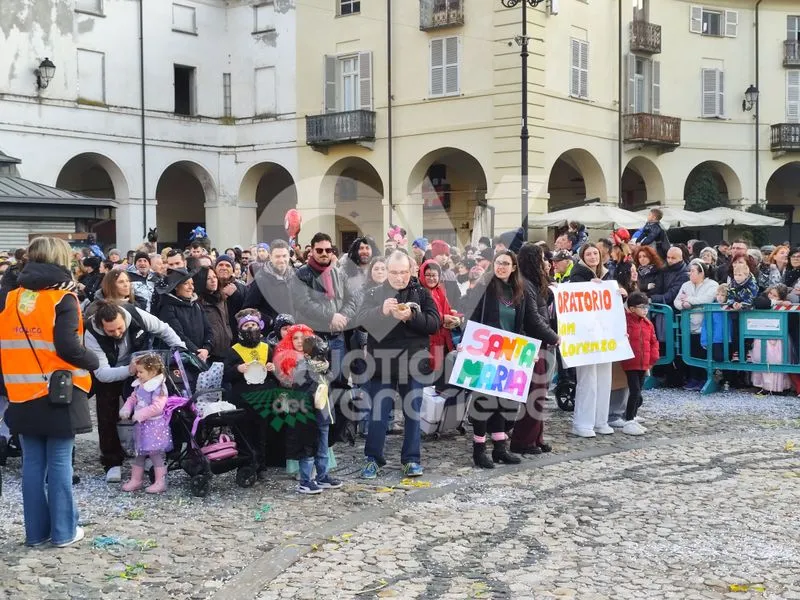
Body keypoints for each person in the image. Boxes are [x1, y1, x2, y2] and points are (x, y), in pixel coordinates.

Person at [0, 236, 99, 547]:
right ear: (61, 261)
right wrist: (93, 359)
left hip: (20, 389)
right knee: (59, 461)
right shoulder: (63, 299)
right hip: (59, 390)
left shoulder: (10, 297)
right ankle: (63, 531)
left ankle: (36, 533)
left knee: (32, 463)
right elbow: (69, 346)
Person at [356, 251, 440, 479]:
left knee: (412, 414)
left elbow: (434, 323)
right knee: (378, 415)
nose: (399, 277)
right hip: (381, 363)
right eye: (394, 272)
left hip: (413, 363)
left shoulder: (422, 294)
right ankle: (373, 458)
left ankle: (411, 459)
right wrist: (381, 311)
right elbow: (361, 322)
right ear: (386, 271)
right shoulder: (374, 293)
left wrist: (411, 317)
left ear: (411, 271)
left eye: (404, 272)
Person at [84, 301, 185, 482]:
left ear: (124, 318)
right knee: (106, 411)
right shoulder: (90, 333)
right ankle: (112, 461)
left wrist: (180, 348)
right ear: (101, 326)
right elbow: (102, 373)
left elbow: (163, 328)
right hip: (112, 370)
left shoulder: (135, 314)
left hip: (141, 366)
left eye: (120, 328)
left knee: (149, 409)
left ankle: (150, 453)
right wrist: (129, 370)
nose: (117, 333)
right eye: (111, 331)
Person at [466, 251, 538, 467]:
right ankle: (479, 450)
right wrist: (467, 342)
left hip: (509, 353)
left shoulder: (519, 291)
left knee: (501, 401)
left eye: (506, 264)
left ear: (514, 267)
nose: (502, 267)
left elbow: (524, 324)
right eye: (498, 263)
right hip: (485, 351)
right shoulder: (484, 287)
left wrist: (529, 351)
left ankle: (499, 448)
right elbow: (471, 315)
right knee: (483, 401)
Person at [509, 243, 561, 456]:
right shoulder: (525, 284)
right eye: (542, 258)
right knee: (534, 395)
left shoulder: (533, 282)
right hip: (531, 344)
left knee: (539, 394)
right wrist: (554, 337)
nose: (546, 262)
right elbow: (533, 319)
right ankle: (523, 440)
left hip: (539, 343)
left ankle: (536, 437)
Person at [291, 233, 357, 381]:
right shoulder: (301, 274)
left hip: (336, 337)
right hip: (312, 339)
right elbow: (303, 304)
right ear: (312, 251)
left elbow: (351, 300)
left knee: (338, 381)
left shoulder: (339, 274)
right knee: (315, 384)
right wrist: (331, 316)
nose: (324, 254)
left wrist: (343, 317)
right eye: (319, 250)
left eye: (328, 250)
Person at [567, 243, 615, 438]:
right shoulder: (577, 275)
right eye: (589, 254)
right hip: (585, 335)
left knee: (604, 377)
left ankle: (600, 420)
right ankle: (582, 422)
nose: (593, 256)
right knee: (588, 379)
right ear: (582, 257)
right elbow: (574, 297)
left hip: (604, 333)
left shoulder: (607, 274)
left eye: (595, 253)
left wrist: (619, 292)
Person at [118, 353, 172, 493]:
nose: (138, 375)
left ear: (153, 372)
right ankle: (136, 480)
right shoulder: (140, 386)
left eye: (141, 372)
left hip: (153, 426)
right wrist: (126, 409)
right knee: (139, 453)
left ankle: (160, 481)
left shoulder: (159, 388)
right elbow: (132, 399)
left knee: (154, 453)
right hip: (141, 425)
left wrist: (140, 414)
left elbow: (157, 407)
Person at [674, 260, 718, 390]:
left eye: (693, 271)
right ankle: (693, 379)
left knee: (702, 352)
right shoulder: (685, 285)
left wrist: (689, 301)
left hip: (704, 325)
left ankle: (704, 379)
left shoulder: (712, 285)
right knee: (690, 352)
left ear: (701, 273)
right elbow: (676, 301)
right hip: (688, 325)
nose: (690, 274)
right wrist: (682, 305)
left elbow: (706, 299)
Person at [621, 292, 659, 436]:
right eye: (642, 307)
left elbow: (653, 342)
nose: (645, 310)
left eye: (647, 307)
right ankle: (629, 419)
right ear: (631, 309)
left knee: (638, 391)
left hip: (644, 363)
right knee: (635, 391)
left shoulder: (647, 323)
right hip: (631, 362)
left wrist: (653, 359)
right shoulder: (626, 321)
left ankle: (633, 417)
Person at [156, 268, 213, 362]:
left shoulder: (196, 305)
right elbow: (178, 335)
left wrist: (206, 348)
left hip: (201, 357)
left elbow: (208, 329)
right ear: (176, 286)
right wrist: (197, 352)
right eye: (186, 283)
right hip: (180, 360)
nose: (191, 287)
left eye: (192, 284)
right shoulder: (167, 308)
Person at [418, 260, 458, 379]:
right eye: (428, 275)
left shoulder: (439, 291)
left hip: (443, 340)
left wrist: (456, 318)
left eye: (434, 275)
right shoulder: (419, 292)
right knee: (431, 376)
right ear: (422, 275)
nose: (431, 278)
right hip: (428, 342)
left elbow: (447, 310)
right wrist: (443, 318)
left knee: (441, 375)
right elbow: (421, 315)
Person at [245, 240, 296, 331]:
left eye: (284, 256)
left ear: (289, 257)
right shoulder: (261, 280)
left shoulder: (295, 278)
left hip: (292, 333)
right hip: (270, 335)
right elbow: (248, 309)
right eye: (277, 256)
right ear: (271, 257)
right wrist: (270, 321)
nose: (281, 260)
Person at [750, 285, 792, 395]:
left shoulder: (786, 304)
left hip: (779, 336)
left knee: (777, 359)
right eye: (770, 293)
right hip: (763, 333)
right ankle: (763, 385)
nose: (771, 296)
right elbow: (759, 302)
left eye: (775, 295)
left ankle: (779, 387)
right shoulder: (763, 299)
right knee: (760, 358)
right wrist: (778, 303)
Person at [194, 267, 232, 363]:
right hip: (209, 352)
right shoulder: (197, 303)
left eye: (215, 277)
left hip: (225, 349)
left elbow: (227, 321)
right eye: (208, 278)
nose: (213, 280)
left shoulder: (221, 299)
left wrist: (229, 335)